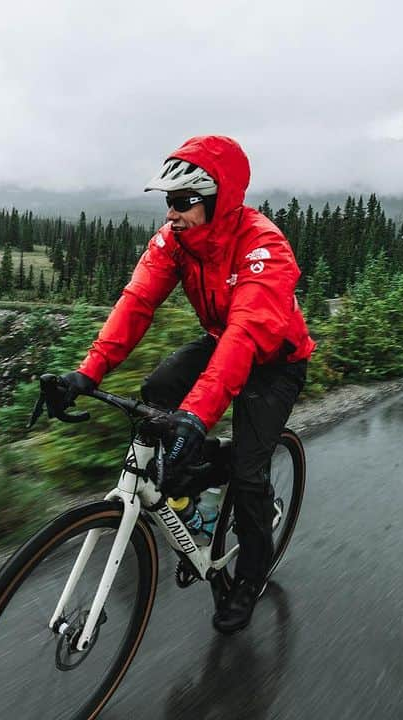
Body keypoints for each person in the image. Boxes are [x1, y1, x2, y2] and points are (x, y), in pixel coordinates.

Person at [53, 136, 315, 634]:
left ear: (218, 201)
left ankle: (249, 579)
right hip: (222, 341)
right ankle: (190, 502)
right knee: (156, 397)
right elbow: (136, 303)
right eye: (167, 202)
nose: (171, 213)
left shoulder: (264, 245)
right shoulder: (175, 240)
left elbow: (246, 336)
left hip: (274, 359)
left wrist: (198, 414)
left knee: (247, 472)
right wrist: (87, 372)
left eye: (182, 203)